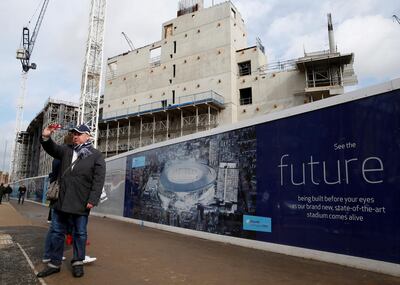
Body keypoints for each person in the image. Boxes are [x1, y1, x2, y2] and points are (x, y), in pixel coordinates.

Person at [37, 124, 105, 279]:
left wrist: (92, 199)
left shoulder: (96, 155)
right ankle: (54, 264)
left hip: (81, 202)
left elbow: (98, 180)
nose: (75, 136)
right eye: (74, 133)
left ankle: (77, 263)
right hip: (62, 200)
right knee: (56, 232)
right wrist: (46, 136)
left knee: (80, 233)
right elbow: (51, 148)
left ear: (88, 136)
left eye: (79, 133)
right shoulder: (66, 150)